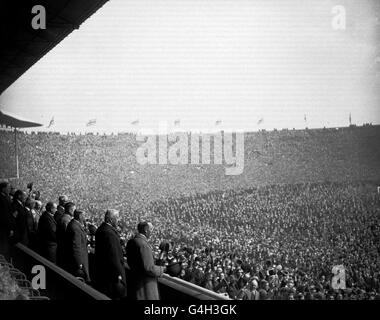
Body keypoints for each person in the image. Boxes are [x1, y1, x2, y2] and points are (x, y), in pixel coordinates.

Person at [126, 221, 166, 300]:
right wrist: (162, 269)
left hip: (135, 283)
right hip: (145, 287)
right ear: (146, 230)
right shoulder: (143, 245)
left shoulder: (132, 241)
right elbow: (149, 268)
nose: (152, 232)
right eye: (151, 229)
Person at [94, 209, 126, 299]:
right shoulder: (109, 233)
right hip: (111, 276)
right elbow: (114, 256)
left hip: (103, 272)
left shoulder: (102, 228)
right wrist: (119, 275)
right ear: (111, 220)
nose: (119, 220)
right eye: (117, 218)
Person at [64, 209, 90, 282]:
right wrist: (79, 263)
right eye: (84, 216)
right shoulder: (75, 227)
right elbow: (76, 246)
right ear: (80, 216)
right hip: (79, 260)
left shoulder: (73, 224)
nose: (85, 218)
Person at [56, 202, 75, 268]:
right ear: (70, 210)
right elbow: (68, 235)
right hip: (65, 249)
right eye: (74, 210)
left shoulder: (65, 218)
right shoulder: (66, 220)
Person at [0, 182, 13, 258]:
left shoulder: (5, 197)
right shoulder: (1, 199)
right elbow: (5, 215)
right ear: (3, 188)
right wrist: (10, 228)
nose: (9, 190)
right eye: (8, 188)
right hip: (4, 228)